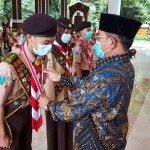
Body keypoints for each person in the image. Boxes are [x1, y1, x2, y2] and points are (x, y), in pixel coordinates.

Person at [38, 13, 142, 150]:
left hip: (95, 142)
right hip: (114, 137)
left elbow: (72, 110)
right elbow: (91, 84)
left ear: (111, 42)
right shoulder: (125, 65)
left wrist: (48, 105)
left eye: (98, 37)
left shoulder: (106, 75)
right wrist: (61, 78)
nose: (95, 40)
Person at [0, 13, 57, 150]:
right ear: (29, 37)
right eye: (46, 43)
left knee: (26, 146)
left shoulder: (39, 57)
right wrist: (1, 134)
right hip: (10, 115)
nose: (49, 47)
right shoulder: (8, 65)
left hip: (27, 111)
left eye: (52, 42)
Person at [44, 17, 74, 150]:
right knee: (55, 130)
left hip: (68, 95)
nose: (68, 34)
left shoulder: (67, 49)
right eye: (66, 31)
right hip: (55, 98)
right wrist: (51, 102)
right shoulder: (51, 50)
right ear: (59, 31)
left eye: (69, 32)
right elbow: (49, 78)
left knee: (67, 128)